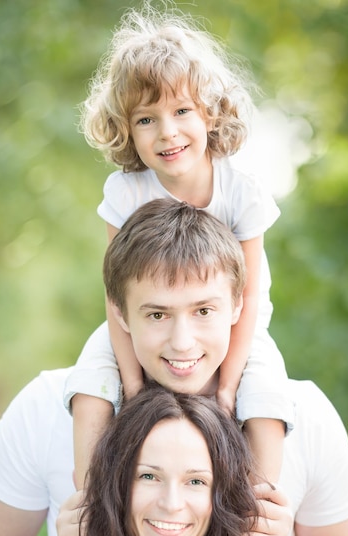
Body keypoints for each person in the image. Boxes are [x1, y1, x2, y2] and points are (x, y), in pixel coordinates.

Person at [0, 201, 348, 536]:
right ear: (119, 311)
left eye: (203, 311)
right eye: (157, 314)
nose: (182, 342)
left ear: (240, 306)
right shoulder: (46, 406)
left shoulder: (303, 414)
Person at [69, 2, 294, 493]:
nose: (167, 132)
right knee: (89, 374)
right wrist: (130, 384)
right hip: (144, 319)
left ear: (209, 112)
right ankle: (87, 500)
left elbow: (250, 296)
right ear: (126, 129)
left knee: (269, 391)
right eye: (146, 120)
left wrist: (229, 386)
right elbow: (114, 294)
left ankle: (260, 507)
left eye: (182, 111)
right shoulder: (126, 193)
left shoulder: (241, 191)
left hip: (236, 323)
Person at [37, 385, 320, 536]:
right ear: (117, 485)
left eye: (195, 481)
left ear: (223, 494)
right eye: (149, 476)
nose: (171, 504)